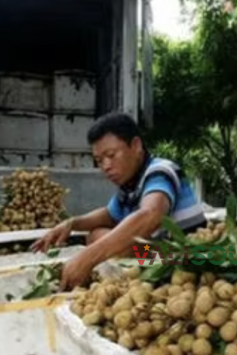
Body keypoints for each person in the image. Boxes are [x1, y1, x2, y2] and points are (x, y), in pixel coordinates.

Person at [32, 112, 206, 290]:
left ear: (136, 145)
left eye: (111, 155)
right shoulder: (130, 184)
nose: (105, 166)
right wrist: (72, 223)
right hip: (157, 254)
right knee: (96, 234)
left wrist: (88, 257)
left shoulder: (160, 171)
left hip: (183, 257)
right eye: (99, 161)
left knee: (118, 246)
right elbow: (110, 215)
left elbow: (151, 214)